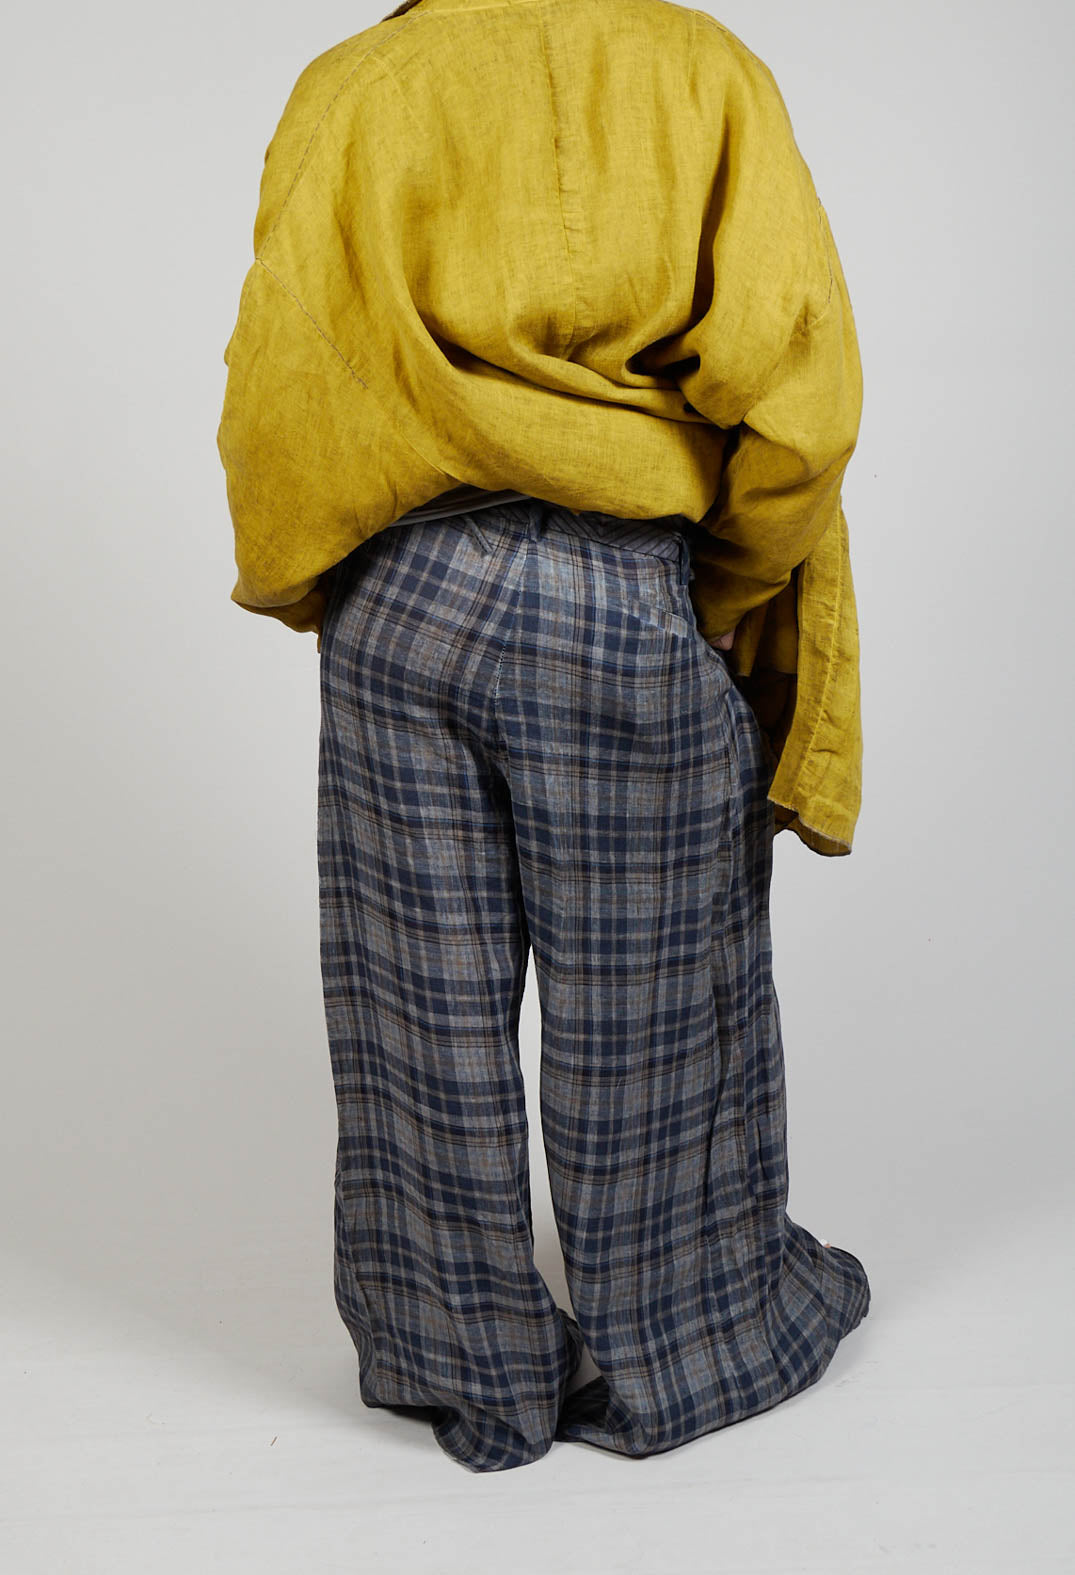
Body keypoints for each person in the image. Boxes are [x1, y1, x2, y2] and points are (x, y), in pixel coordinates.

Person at [216, 0, 870, 1473]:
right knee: (658, 996)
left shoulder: (356, 83)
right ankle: (688, 1347)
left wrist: (332, 586)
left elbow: (282, 382)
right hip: (621, 578)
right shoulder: (701, 69)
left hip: (400, 590)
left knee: (413, 1001)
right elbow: (801, 398)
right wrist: (723, 592)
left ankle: (472, 1373)